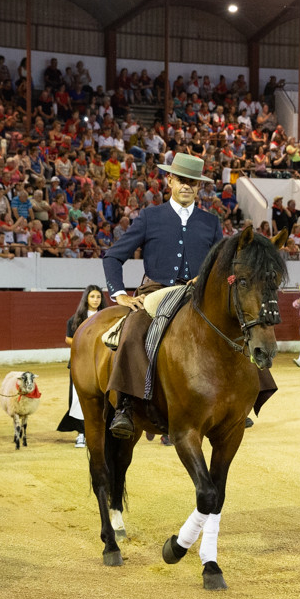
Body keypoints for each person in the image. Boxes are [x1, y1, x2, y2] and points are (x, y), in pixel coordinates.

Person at [100, 152, 223, 438]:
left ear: (199, 186)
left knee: (237, 327)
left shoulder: (211, 222)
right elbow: (113, 257)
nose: (187, 186)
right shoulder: (149, 216)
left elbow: (223, 265)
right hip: (155, 294)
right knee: (132, 331)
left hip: (196, 294)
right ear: (169, 180)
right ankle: (126, 407)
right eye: (182, 179)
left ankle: (244, 401)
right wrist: (119, 294)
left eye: (193, 182)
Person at [58, 285, 104, 447]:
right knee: (79, 398)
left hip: (101, 364)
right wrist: (87, 343)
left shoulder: (106, 317)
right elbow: (68, 339)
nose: (95, 300)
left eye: (98, 297)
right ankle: (82, 433)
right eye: (92, 297)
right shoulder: (76, 318)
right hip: (82, 364)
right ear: (86, 299)